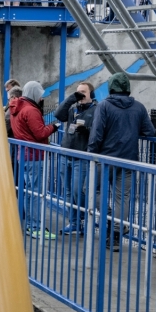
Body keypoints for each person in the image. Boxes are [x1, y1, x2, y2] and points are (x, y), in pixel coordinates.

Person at [87, 72, 156, 251]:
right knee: (122, 199)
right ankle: (116, 236)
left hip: (104, 158)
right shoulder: (139, 107)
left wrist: (91, 155)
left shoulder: (104, 106)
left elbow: (96, 135)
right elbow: (150, 132)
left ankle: (109, 219)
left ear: (111, 87)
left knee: (91, 190)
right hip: (128, 160)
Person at [10, 80, 60, 239]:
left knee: (30, 192)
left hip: (22, 155)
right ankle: (37, 227)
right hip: (35, 156)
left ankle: (32, 226)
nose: (41, 98)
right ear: (34, 93)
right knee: (37, 193)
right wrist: (54, 127)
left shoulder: (16, 108)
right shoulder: (31, 110)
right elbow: (40, 133)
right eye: (40, 94)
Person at [54, 81, 98, 234]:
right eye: (78, 91)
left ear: (91, 94)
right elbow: (58, 115)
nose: (80, 94)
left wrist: (85, 129)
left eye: (83, 92)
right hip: (66, 154)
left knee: (77, 191)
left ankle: (87, 219)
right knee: (67, 191)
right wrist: (72, 98)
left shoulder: (96, 109)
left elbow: (98, 131)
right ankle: (73, 223)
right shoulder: (73, 109)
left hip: (81, 156)